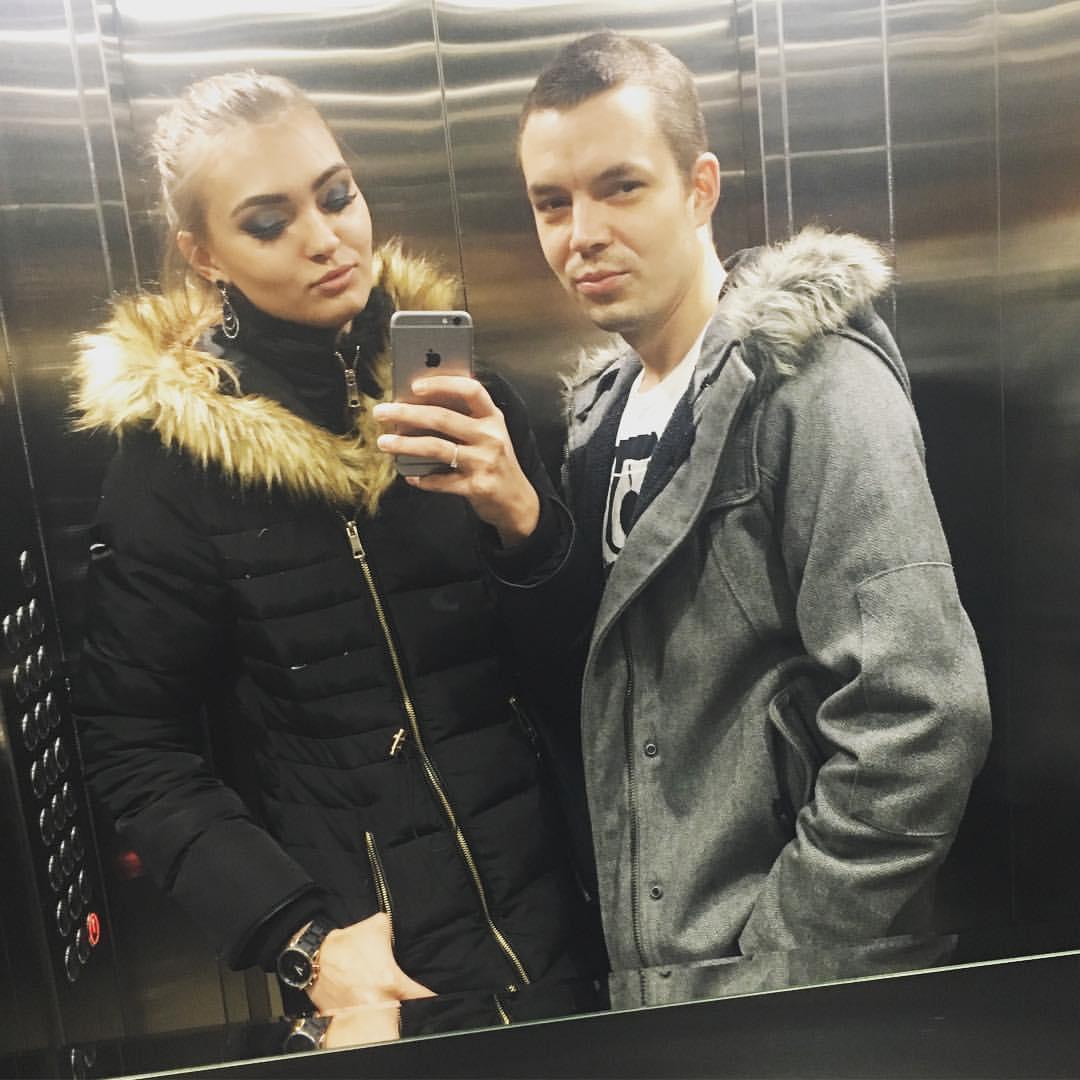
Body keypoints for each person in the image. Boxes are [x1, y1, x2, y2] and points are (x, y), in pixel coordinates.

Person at [377, 31, 992, 1010]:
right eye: (552, 202)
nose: (582, 233)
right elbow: (614, 703)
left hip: (789, 994)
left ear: (700, 188)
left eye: (620, 187)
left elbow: (919, 717)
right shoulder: (597, 419)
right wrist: (521, 527)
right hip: (648, 983)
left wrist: (775, 959)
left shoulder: (815, 390)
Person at [69, 70, 602, 1052]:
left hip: (576, 924)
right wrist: (301, 939)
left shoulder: (465, 398)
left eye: (337, 194)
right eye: (269, 223)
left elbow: (589, 671)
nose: (325, 238)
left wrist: (524, 520)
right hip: (379, 975)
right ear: (203, 254)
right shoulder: (174, 469)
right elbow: (131, 742)